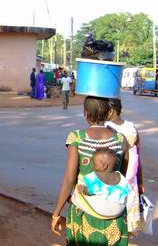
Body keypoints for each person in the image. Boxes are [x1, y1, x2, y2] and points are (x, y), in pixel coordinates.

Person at [51, 96, 129, 245]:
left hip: (84, 213)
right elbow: (121, 176)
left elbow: (69, 179)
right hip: (115, 216)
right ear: (108, 113)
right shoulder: (121, 139)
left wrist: (56, 213)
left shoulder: (77, 138)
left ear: (86, 113)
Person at [105, 98, 144, 234]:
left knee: (115, 212)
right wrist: (140, 182)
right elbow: (138, 157)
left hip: (116, 177)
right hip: (132, 178)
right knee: (128, 212)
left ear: (110, 111)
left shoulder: (108, 128)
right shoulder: (131, 127)